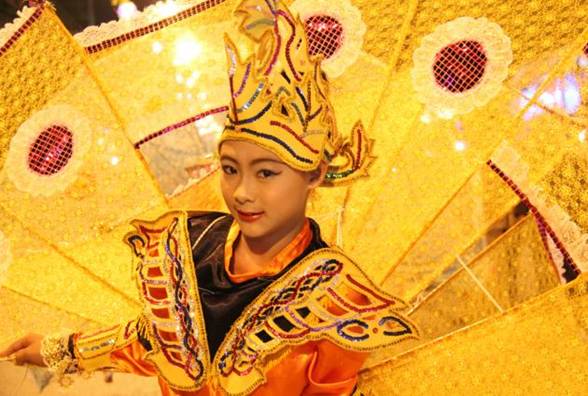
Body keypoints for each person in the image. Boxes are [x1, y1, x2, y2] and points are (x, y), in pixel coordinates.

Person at [0, 0, 418, 394]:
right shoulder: (192, 242)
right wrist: (64, 350)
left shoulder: (339, 301)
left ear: (315, 174)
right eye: (231, 168)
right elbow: (150, 338)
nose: (242, 193)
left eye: (267, 173)